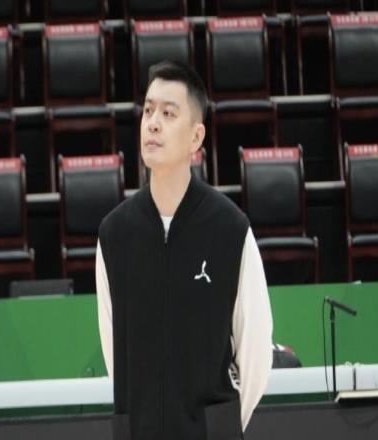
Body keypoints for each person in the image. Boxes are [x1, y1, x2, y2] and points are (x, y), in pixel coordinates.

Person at [96, 60, 273, 440]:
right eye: (148, 111)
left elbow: (256, 351)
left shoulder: (230, 229)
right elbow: (115, 354)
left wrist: (219, 427)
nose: (153, 123)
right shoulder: (114, 235)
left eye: (168, 113)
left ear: (196, 137)